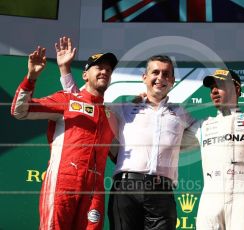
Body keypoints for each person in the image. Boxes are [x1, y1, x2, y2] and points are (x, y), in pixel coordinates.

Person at [59, 51, 196, 229]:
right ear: (145, 77)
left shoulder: (181, 114)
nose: (160, 77)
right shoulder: (122, 108)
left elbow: (207, 132)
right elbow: (82, 105)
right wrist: (65, 72)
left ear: (172, 80)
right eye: (155, 72)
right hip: (126, 188)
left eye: (166, 74)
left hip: (162, 191)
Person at [11, 42, 119, 229]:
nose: (104, 72)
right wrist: (31, 77)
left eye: (108, 69)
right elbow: (20, 110)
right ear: (85, 75)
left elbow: (121, 156)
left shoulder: (111, 116)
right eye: (99, 67)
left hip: (94, 192)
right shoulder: (67, 100)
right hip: (63, 183)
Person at [194, 69, 244, 230]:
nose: (214, 91)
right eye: (212, 88)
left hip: (243, 191)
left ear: (237, 89)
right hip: (211, 192)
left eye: (220, 85)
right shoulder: (202, 125)